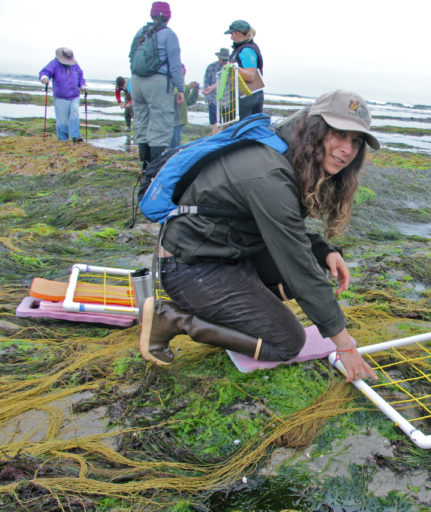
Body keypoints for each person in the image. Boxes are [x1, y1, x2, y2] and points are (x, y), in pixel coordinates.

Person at [139, 90, 381, 383]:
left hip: (229, 251)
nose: (347, 149)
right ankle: (174, 319)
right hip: (191, 267)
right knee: (287, 343)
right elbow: (297, 265)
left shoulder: (287, 152)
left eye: (356, 141)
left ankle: (243, 309)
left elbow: (283, 228)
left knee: (315, 266)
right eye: (339, 134)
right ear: (315, 128)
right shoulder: (268, 173)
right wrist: (344, 344)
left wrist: (324, 250)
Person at [130, 1, 184, 170]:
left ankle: (144, 166)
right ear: (168, 17)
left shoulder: (141, 32)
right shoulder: (169, 35)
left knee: (141, 121)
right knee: (160, 124)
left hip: (137, 81)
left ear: (152, 14)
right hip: (158, 82)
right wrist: (180, 88)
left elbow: (132, 56)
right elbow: (175, 64)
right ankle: (154, 170)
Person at [38, 48, 86, 142]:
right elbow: (44, 72)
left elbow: (80, 76)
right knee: (62, 119)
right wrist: (44, 78)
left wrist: (83, 85)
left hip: (75, 95)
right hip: (60, 96)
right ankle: (63, 139)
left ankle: (76, 136)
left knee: (74, 114)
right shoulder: (55, 63)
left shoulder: (75, 65)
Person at [224, 19, 264, 119]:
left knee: (243, 131)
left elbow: (250, 76)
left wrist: (234, 66)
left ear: (238, 33)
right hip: (239, 98)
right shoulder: (238, 50)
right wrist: (212, 88)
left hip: (248, 99)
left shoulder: (247, 50)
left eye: (231, 34)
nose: (231, 38)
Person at [169, 65, 199, 148]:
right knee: (172, 147)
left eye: (183, 74)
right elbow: (175, 96)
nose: (182, 77)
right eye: (181, 74)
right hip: (171, 122)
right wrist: (189, 87)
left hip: (179, 121)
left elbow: (188, 101)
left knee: (176, 145)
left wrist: (195, 92)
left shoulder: (182, 86)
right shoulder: (170, 85)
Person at [202, 48, 229, 127]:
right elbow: (206, 83)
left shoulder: (230, 69)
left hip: (227, 102)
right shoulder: (211, 67)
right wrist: (208, 100)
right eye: (222, 59)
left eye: (226, 60)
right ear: (219, 58)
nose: (224, 61)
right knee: (215, 124)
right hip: (214, 100)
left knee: (228, 124)